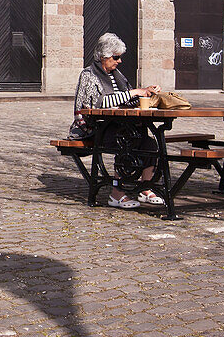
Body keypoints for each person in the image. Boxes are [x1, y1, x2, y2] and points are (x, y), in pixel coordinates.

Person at [68, 32, 163, 208]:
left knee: (149, 144)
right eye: (116, 57)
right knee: (126, 141)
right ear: (104, 56)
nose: (119, 61)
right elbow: (99, 103)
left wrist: (146, 91)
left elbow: (126, 99)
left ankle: (145, 188)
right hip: (93, 129)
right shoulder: (89, 75)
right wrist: (134, 92)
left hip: (118, 126)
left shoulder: (117, 76)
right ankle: (116, 194)